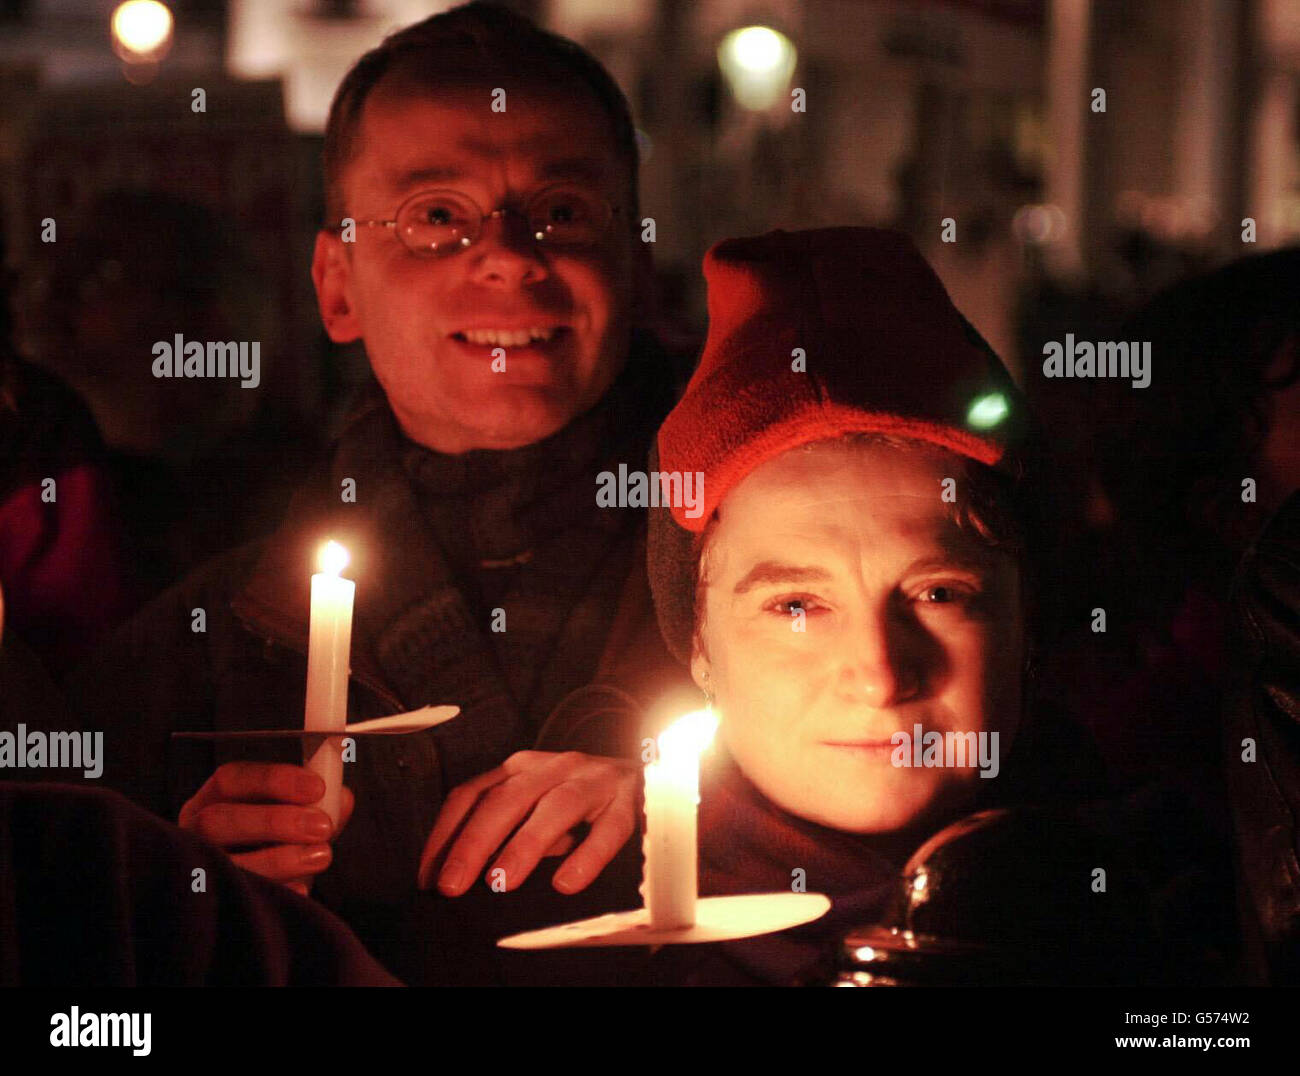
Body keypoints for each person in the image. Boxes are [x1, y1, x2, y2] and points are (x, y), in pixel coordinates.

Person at [70, 2, 690, 986]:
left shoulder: (777, 584)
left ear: (638, 267)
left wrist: (714, 812)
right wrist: (175, 894)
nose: (508, 254)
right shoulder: (198, 653)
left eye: (564, 209)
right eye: (436, 215)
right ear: (336, 285)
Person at [630, 228, 1223, 985]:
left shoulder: (1186, 891)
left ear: (1028, 620)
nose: (880, 675)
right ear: (699, 644)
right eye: (797, 606)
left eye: (939, 594)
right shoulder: (592, 928)